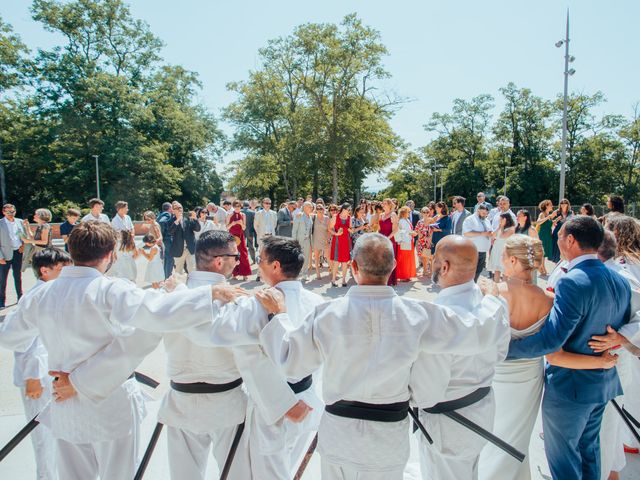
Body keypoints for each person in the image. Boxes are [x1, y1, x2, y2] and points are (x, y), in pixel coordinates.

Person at [254, 233, 510, 480]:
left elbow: (290, 363)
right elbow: (478, 332)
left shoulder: (326, 315)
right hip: (388, 438)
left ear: (353, 266)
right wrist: (491, 301)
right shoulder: (419, 315)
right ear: (394, 266)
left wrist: (281, 316)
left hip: (340, 435)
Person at [0, 220, 242, 479]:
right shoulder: (111, 290)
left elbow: (11, 338)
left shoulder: (40, 294)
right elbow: (154, 318)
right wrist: (208, 295)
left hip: (64, 403)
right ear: (110, 255)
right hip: (110, 405)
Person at [478, 234, 619, 480]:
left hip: (498, 373)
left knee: (491, 432)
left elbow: (483, 339)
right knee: (518, 435)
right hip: (530, 377)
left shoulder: (494, 293)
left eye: (502, 256)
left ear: (512, 260)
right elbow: (554, 345)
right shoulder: (549, 299)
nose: (499, 260)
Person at [507, 216, 631, 480]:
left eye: (560, 236)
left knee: (564, 461)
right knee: (589, 453)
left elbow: (552, 339)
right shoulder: (619, 280)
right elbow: (616, 329)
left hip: (570, 388)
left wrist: (504, 350)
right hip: (603, 383)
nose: (558, 240)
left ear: (571, 241)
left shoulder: (572, 280)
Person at [415, 236, 510, 480]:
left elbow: (427, 389)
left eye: (435, 260)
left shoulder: (438, 319)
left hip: (448, 424)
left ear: (444, 266)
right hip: (482, 410)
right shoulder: (493, 304)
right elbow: (500, 354)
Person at [12, 247, 72, 479]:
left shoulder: (55, 295)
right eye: (61, 270)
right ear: (44, 271)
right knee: (44, 441)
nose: (66, 275)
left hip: (54, 376)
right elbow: (24, 344)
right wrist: (32, 378)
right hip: (38, 379)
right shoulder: (32, 299)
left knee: (60, 438)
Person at [0, 204, 26, 308]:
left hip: (17, 253)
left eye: (12, 211)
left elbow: (22, 235)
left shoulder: (19, 222)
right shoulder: (0, 223)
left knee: (18, 276)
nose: (11, 214)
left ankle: (20, 297)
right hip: (4, 254)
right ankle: (1, 301)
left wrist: (23, 245)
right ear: (3, 212)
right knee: (2, 279)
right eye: (8, 212)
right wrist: (0, 256)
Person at [169, 202, 201, 275]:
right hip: (178, 249)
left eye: (180, 207)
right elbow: (170, 232)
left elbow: (198, 229)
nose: (179, 209)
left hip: (190, 248)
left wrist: (195, 219)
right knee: (178, 271)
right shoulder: (171, 220)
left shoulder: (188, 218)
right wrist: (177, 220)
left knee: (192, 269)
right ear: (173, 210)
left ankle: (192, 285)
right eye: (176, 208)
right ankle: (179, 286)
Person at [462, 204, 492, 282]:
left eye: (486, 214)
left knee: (478, 271)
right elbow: (466, 233)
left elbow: (489, 232)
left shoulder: (486, 220)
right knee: (470, 271)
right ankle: (467, 287)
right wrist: (481, 233)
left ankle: (473, 285)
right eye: (483, 213)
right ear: (478, 211)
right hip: (472, 251)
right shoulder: (470, 219)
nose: (485, 215)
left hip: (483, 251)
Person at [21, 208, 53, 273]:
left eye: (36, 214)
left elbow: (44, 242)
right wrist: (27, 227)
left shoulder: (45, 226)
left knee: (40, 273)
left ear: (41, 216)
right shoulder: (40, 226)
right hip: (39, 251)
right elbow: (33, 237)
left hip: (43, 252)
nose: (34, 216)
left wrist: (28, 241)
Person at [227, 200, 252, 280]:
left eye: (238, 206)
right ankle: (234, 274)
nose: (237, 208)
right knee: (233, 255)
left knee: (243, 254)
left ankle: (245, 274)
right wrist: (232, 224)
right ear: (233, 207)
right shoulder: (229, 215)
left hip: (241, 236)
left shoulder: (243, 215)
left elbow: (244, 228)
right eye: (235, 206)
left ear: (240, 207)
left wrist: (241, 223)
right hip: (232, 237)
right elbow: (227, 227)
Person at [329, 203, 352, 287]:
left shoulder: (349, 218)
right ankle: (333, 279)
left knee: (345, 262)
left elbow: (350, 229)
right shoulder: (335, 217)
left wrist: (351, 230)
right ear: (344, 209)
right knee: (336, 261)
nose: (349, 211)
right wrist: (336, 234)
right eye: (348, 209)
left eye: (350, 210)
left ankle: (343, 280)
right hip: (337, 240)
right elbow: (329, 229)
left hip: (346, 241)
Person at [488, 213, 515, 282]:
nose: (499, 221)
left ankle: (504, 289)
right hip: (497, 249)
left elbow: (502, 236)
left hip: (504, 251)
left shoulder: (511, 228)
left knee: (505, 271)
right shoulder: (500, 227)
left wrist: (502, 226)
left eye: (500, 219)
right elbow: (493, 236)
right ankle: (496, 287)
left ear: (505, 219)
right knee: (497, 270)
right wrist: (499, 227)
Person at [292, 201, 315, 280]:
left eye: (311, 207)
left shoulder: (310, 217)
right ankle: (296, 273)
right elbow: (294, 230)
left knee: (306, 258)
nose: (311, 208)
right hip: (299, 240)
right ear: (304, 207)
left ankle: (305, 274)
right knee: (298, 257)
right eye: (309, 206)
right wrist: (294, 241)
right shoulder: (298, 216)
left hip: (307, 240)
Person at [395, 206, 417, 281]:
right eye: (408, 212)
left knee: (408, 259)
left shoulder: (407, 220)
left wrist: (412, 233)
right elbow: (401, 231)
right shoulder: (401, 221)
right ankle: (403, 276)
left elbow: (408, 230)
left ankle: (407, 275)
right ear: (404, 213)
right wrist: (411, 233)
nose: (409, 213)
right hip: (404, 242)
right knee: (404, 259)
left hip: (409, 241)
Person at [536, 200, 556, 274]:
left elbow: (548, 224)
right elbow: (538, 222)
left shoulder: (548, 214)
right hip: (543, 234)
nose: (552, 206)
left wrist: (555, 220)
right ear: (546, 206)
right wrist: (548, 217)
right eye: (550, 205)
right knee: (543, 252)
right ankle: (542, 267)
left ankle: (542, 266)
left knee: (545, 252)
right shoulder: (542, 214)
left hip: (548, 234)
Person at [550, 198, 573, 263]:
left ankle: (564, 263)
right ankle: (556, 264)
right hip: (557, 232)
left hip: (566, 232)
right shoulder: (556, 212)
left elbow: (572, 222)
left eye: (565, 203)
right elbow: (549, 221)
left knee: (565, 248)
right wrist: (555, 221)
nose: (563, 204)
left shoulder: (571, 212)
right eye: (561, 203)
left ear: (567, 204)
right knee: (556, 248)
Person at [311, 203, 330, 279]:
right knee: (316, 257)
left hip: (324, 239)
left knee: (328, 256)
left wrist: (327, 240)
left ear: (324, 209)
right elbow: (305, 213)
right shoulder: (313, 217)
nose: (320, 210)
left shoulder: (327, 218)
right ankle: (318, 273)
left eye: (321, 208)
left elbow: (329, 230)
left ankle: (332, 269)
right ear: (316, 210)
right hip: (316, 239)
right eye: (318, 209)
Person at [157, 201, 175, 279]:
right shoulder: (167, 215)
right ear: (169, 208)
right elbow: (162, 222)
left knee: (166, 258)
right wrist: (165, 233)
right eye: (172, 207)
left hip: (164, 240)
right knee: (169, 258)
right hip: (167, 240)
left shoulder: (160, 215)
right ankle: (168, 277)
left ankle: (165, 276)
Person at [415, 206, 434, 277]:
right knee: (424, 257)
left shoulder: (431, 220)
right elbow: (417, 230)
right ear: (421, 213)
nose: (426, 213)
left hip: (429, 241)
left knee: (430, 257)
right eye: (424, 212)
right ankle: (425, 270)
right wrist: (421, 236)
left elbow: (433, 230)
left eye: (427, 212)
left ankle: (431, 272)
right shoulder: (420, 222)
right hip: (422, 241)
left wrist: (429, 239)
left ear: (429, 213)